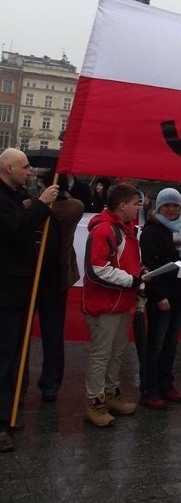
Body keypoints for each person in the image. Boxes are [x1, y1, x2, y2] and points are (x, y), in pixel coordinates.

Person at [0, 149, 59, 453]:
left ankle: (10, 410)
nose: (29, 172)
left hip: (20, 288)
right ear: (8, 167)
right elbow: (15, 229)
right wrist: (39, 205)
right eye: (24, 168)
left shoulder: (16, 192)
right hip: (6, 291)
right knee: (3, 356)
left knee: (14, 356)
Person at [82, 182, 144, 427]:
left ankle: (109, 394)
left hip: (119, 303)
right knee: (101, 355)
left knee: (116, 353)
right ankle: (94, 402)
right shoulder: (104, 230)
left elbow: (123, 263)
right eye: (136, 203)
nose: (138, 207)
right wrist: (131, 280)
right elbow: (96, 269)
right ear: (122, 205)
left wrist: (139, 273)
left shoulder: (126, 229)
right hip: (104, 304)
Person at [139, 188, 181, 409]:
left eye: (175, 206)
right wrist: (159, 295)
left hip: (180, 293)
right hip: (162, 296)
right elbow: (150, 266)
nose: (171, 210)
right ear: (159, 208)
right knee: (157, 343)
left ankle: (166, 384)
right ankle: (150, 388)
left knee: (171, 343)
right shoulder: (151, 232)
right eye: (167, 206)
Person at [35, 170, 84, 402]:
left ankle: (19, 384)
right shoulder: (75, 207)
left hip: (37, 275)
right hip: (60, 276)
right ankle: (51, 383)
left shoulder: (34, 205)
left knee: (23, 333)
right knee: (53, 333)